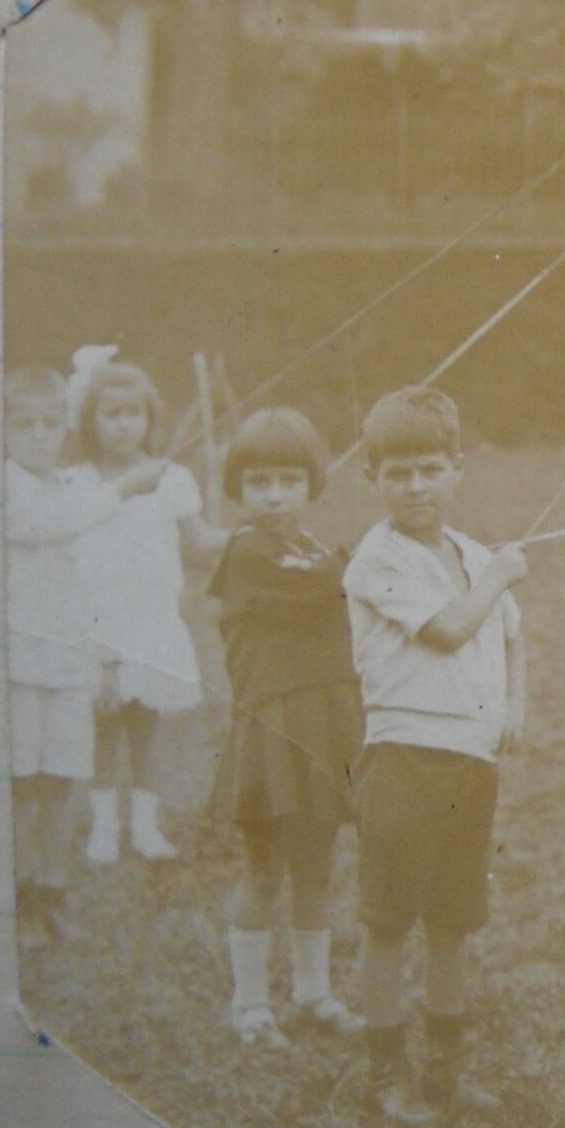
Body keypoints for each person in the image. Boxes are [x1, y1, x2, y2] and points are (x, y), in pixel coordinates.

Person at [341, 386, 528, 1123]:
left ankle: (447, 1071)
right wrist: (497, 578)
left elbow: (510, 634)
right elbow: (451, 629)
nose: (416, 486)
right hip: (403, 761)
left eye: (429, 468)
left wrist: (516, 705)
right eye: (398, 473)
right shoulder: (375, 560)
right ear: (372, 477)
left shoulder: (475, 555)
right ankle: (384, 1074)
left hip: (468, 762)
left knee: (453, 920)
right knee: (388, 924)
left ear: (457, 468)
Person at [208, 407, 367, 1046]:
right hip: (274, 729)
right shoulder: (248, 552)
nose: (274, 497)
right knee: (264, 866)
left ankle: (312, 993)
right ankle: (249, 1004)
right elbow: (325, 589)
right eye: (258, 483)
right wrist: (369, 560)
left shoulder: (309, 549)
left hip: (325, 724)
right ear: (238, 490)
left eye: (289, 482)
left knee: (317, 865)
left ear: (311, 485)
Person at [5, 368, 160, 945]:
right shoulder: (8, 486)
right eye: (24, 425)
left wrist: (102, 657)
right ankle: (19, 901)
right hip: (19, 664)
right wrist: (124, 488)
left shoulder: (71, 485)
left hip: (69, 664)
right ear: (2, 431)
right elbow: (45, 527)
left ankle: (52, 894)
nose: (39, 437)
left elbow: (86, 579)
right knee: (21, 784)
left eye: (50, 424)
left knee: (61, 783)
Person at [64, 348, 225, 865]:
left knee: (147, 727)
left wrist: (243, 534)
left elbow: (198, 544)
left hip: (153, 621)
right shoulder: (77, 483)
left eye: (133, 414)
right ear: (90, 419)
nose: (123, 425)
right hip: (99, 621)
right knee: (104, 726)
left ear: (150, 417)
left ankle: (146, 828)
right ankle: (104, 830)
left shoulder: (171, 478)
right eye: (111, 415)